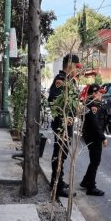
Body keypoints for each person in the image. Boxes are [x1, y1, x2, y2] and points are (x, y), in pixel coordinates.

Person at [48, 54, 82, 197]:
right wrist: (67, 114)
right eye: (76, 67)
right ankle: (56, 186)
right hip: (62, 124)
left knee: (63, 153)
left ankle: (57, 181)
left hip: (66, 123)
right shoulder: (61, 80)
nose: (77, 70)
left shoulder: (69, 80)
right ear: (70, 65)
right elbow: (53, 101)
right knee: (60, 153)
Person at [80, 83, 108, 196]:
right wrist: (103, 138)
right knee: (95, 161)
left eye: (101, 92)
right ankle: (91, 187)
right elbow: (95, 124)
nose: (101, 95)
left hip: (92, 136)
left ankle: (86, 181)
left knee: (94, 161)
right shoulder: (93, 106)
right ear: (94, 94)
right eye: (99, 93)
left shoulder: (95, 104)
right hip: (94, 137)